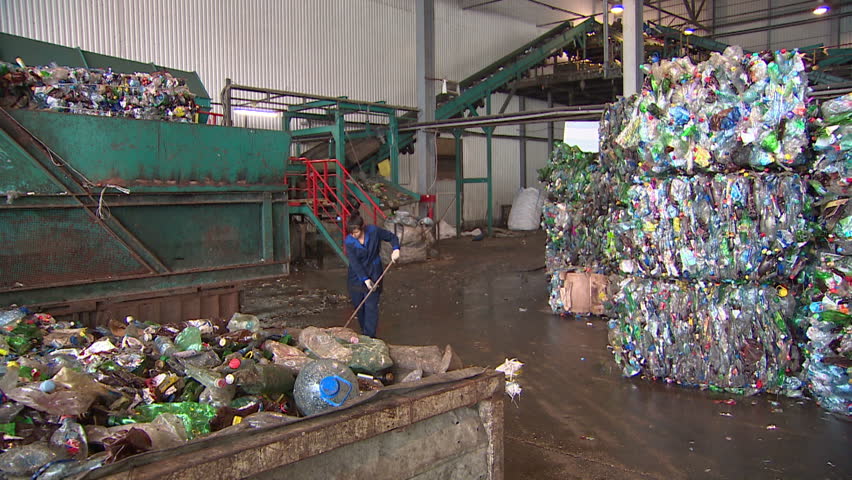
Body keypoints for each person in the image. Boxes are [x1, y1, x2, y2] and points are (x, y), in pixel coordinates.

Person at [344, 215, 400, 337]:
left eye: (356, 232)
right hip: (356, 277)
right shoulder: (349, 242)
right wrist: (365, 279)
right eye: (352, 233)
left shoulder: (374, 231)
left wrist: (396, 249)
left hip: (375, 272)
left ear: (362, 227)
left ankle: (370, 336)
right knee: (360, 307)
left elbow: (392, 237)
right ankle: (364, 333)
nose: (354, 235)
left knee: (371, 307)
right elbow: (354, 263)